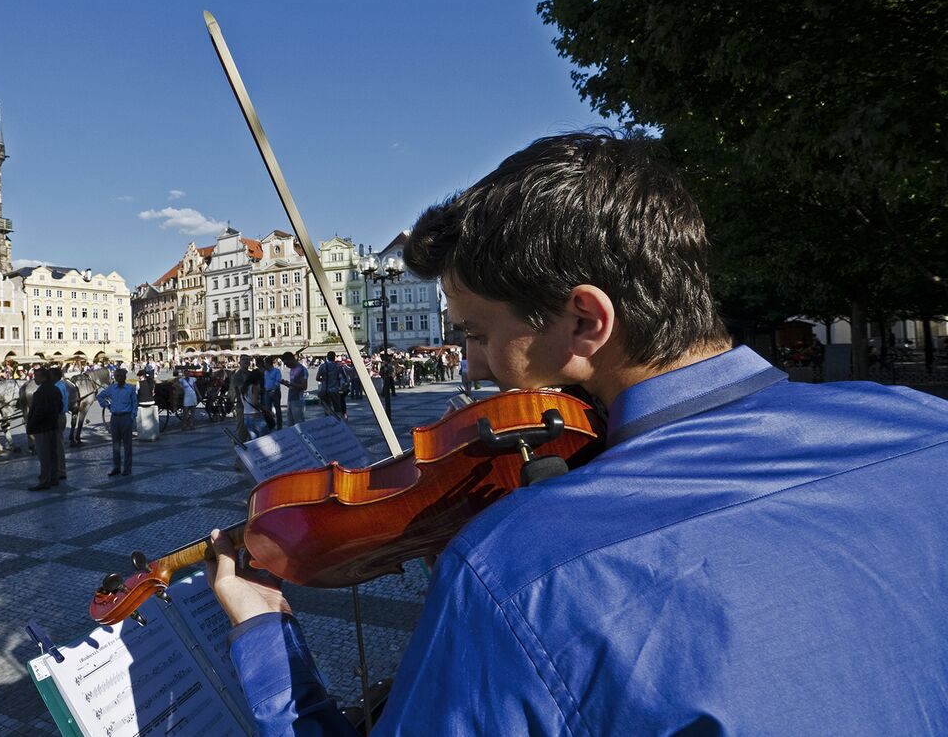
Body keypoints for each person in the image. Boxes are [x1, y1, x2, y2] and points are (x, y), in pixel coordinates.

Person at [204, 132, 948, 735]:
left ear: (586, 321)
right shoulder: (926, 423)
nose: (472, 366)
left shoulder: (519, 569)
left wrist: (270, 642)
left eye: (477, 333)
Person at [26, 367, 63, 490]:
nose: (34, 379)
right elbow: (60, 406)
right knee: (53, 453)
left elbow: (38, 412)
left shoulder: (40, 393)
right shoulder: (56, 389)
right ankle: (54, 477)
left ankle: (44, 481)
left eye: (36, 377)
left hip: (42, 427)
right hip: (53, 425)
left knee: (44, 456)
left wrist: (31, 425)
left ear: (43, 378)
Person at [97, 368, 138, 476]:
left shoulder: (130, 389)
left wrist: (132, 416)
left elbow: (135, 404)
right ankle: (116, 467)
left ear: (125, 377)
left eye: (121, 376)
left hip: (126, 417)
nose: (119, 378)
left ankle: (127, 469)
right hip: (115, 418)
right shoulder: (111, 389)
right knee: (115, 444)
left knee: (127, 445)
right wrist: (107, 405)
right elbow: (100, 396)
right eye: (117, 376)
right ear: (115, 378)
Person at [279, 351, 308, 426]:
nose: (286, 365)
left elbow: (304, 387)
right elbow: (293, 385)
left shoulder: (302, 369)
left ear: (291, 360)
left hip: (298, 400)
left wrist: (290, 383)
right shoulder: (292, 370)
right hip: (291, 399)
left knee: (299, 425)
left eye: (286, 363)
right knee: (291, 425)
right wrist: (286, 384)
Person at [229, 354, 253, 442]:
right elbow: (241, 390)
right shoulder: (237, 375)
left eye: (248, 359)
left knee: (251, 430)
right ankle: (240, 449)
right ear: (239, 362)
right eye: (243, 360)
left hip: (252, 406)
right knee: (242, 430)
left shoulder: (251, 374)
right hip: (242, 406)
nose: (246, 361)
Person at [315, 351, 343, 418]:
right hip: (334, 390)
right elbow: (340, 378)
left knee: (327, 409)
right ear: (334, 357)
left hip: (325, 390)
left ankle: (329, 421)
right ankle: (338, 422)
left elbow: (317, 378)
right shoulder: (337, 367)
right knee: (337, 408)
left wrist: (324, 380)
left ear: (327, 357)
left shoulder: (322, 366)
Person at [263, 355, 283, 431]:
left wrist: (273, 390)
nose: (264, 365)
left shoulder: (276, 371)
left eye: (265, 363)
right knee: (268, 409)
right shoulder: (265, 372)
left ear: (268, 363)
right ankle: (270, 424)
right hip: (267, 392)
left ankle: (279, 426)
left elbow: (278, 381)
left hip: (275, 392)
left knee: (277, 408)